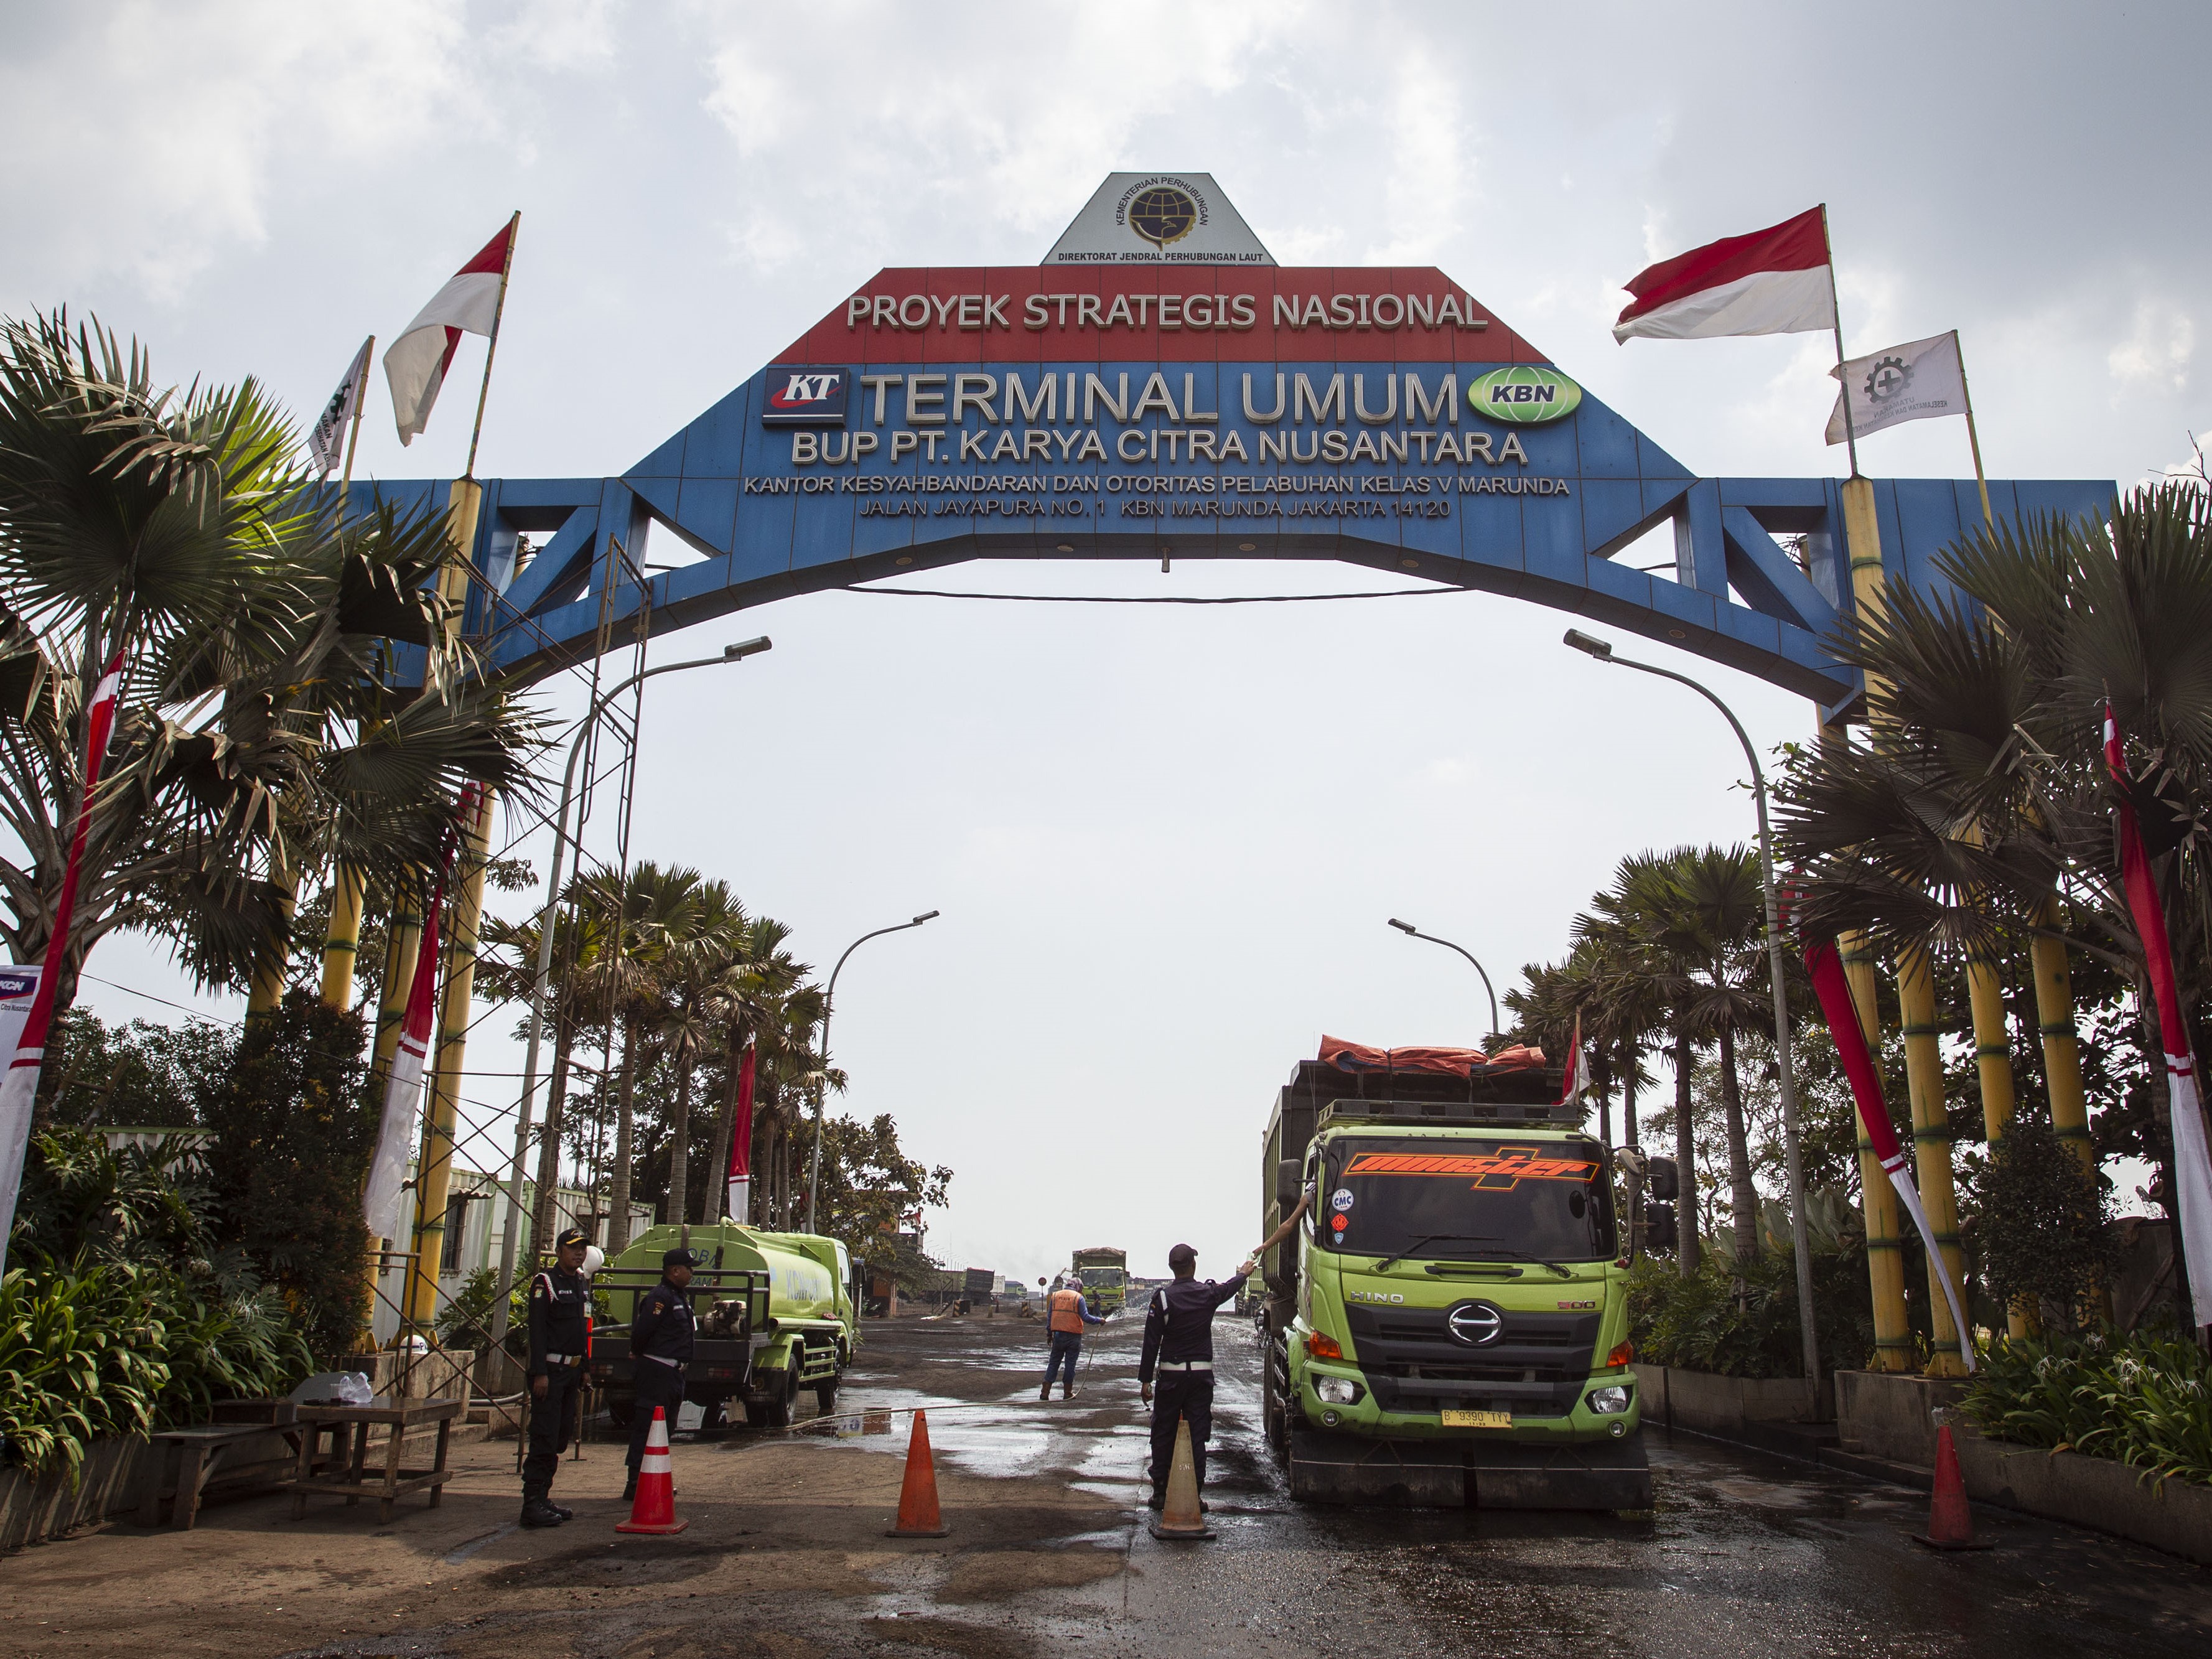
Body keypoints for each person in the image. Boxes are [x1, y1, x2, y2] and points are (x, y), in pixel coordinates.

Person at [1138, 1243, 1256, 1510]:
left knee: (1163, 1432)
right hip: (1201, 1378)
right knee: (1197, 1435)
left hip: (1170, 1377)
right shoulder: (1207, 1294)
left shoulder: (1163, 1299)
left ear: (1172, 1268)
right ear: (1193, 1266)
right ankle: (1196, 1494)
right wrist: (1245, 1274)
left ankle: (1160, 1493)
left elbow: (1151, 1342)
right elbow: (1228, 1288)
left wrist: (1146, 1380)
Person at [520, 1225, 594, 1528]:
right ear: (559, 1250)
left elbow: (582, 1329)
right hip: (549, 1373)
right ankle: (531, 1504)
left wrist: (585, 1369)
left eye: (583, 1248)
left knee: (560, 1439)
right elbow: (537, 1332)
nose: (579, 1253)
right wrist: (539, 1373)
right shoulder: (545, 1283)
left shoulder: (579, 1282)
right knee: (544, 1438)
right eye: (574, 1247)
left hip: (571, 1372)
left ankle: (544, 1498)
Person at [624, 1246, 698, 1503]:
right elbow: (642, 1331)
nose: (691, 1272)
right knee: (647, 1426)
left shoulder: (679, 1297)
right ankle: (635, 1482)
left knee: (665, 1429)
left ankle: (654, 1477)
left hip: (674, 1373)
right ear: (675, 1271)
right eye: (689, 1268)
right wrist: (639, 1353)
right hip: (658, 1371)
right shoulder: (660, 1298)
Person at [1040, 1273, 1104, 1401]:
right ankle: (1067, 1393)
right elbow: (1086, 1317)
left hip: (1058, 1335)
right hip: (1074, 1337)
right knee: (1070, 1365)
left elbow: (1049, 1317)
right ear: (1078, 1287)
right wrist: (1100, 1320)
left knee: (1053, 1363)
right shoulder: (1078, 1298)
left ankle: (1045, 1392)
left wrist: (1049, 1333)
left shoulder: (1055, 1296)